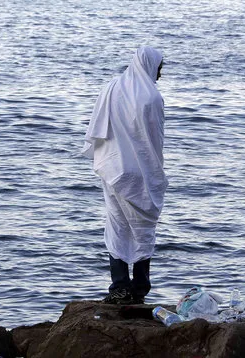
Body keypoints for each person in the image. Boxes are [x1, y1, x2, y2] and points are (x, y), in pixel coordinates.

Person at [83, 46, 167, 304]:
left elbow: (98, 125)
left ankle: (119, 286)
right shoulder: (152, 97)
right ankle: (140, 288)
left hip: (112, 168)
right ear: (150, 65)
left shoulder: (111, 87)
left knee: (117, 224)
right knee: (143, 228)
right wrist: (156, 174)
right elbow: (153, 142)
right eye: (160, 68)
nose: (160, 74)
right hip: (139, 172)